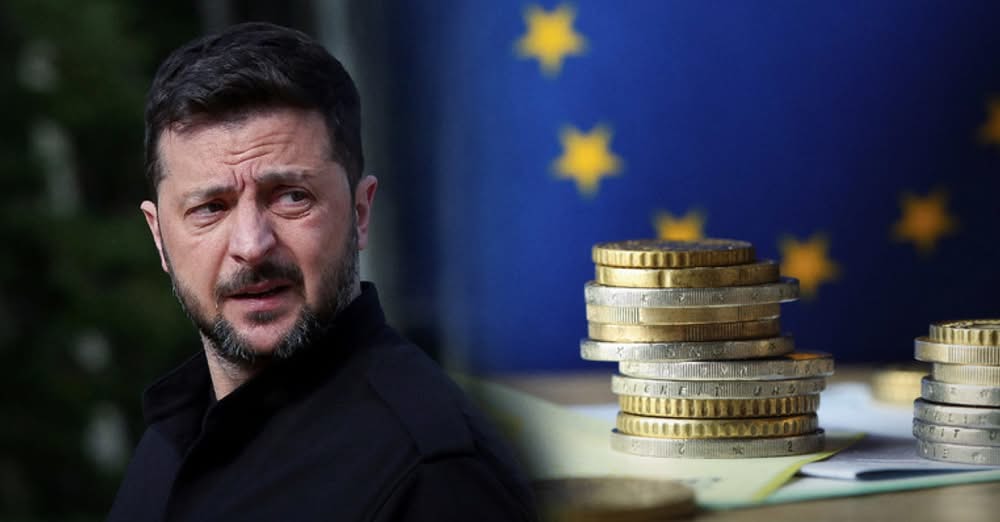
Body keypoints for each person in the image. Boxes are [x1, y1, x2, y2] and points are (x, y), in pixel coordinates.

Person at [107, 22, 536, 521]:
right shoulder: (167, 442)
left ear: (360, 212)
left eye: (291, 197)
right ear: (159, 236)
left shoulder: (436, 473)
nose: (251, 246)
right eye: (211, 208)